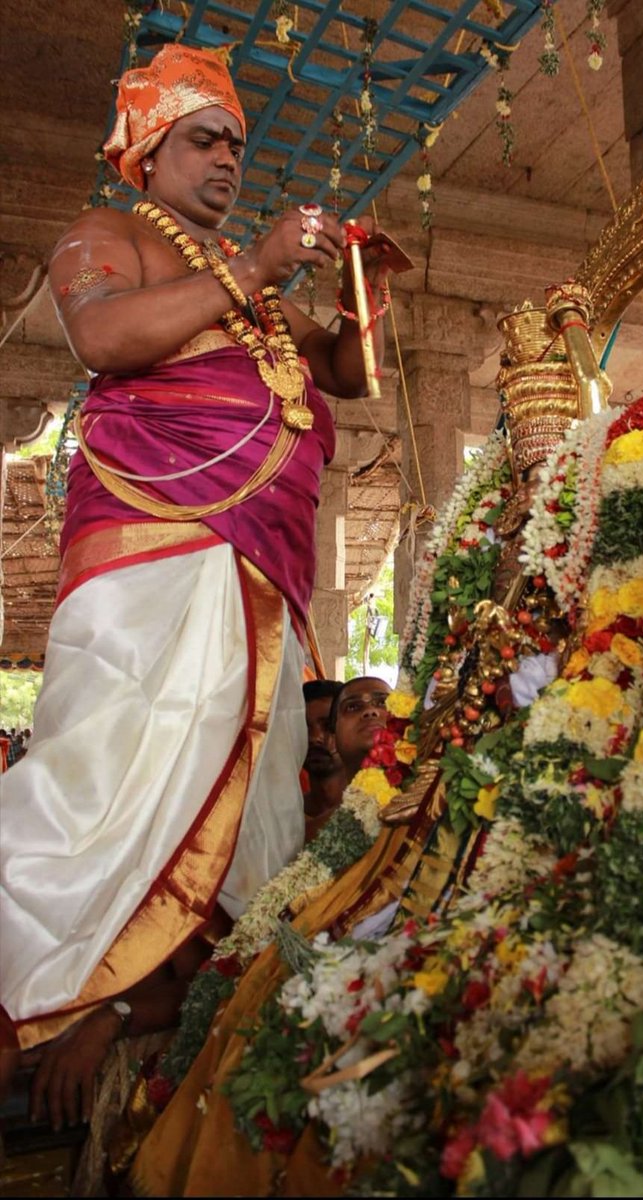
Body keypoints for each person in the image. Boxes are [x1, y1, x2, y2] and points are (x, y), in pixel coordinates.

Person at [0, 41, 392, 1086]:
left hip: (255, 563)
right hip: (150, 550)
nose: (226, 157)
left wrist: (363, 291)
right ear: (149, 152)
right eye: (203, 139)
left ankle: (188, 997)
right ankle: (72, 994)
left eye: (235, 143)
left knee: (237, 764)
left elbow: (350, 376)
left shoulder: (257, 301)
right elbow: (102, 340)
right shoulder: (109, 235)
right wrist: (254, 267)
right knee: (119, 765)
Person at [301, 679, 345, 841]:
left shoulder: (375, 810)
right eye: (303, 727)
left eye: (328, 726)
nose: (315, 738)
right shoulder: (281, 817)